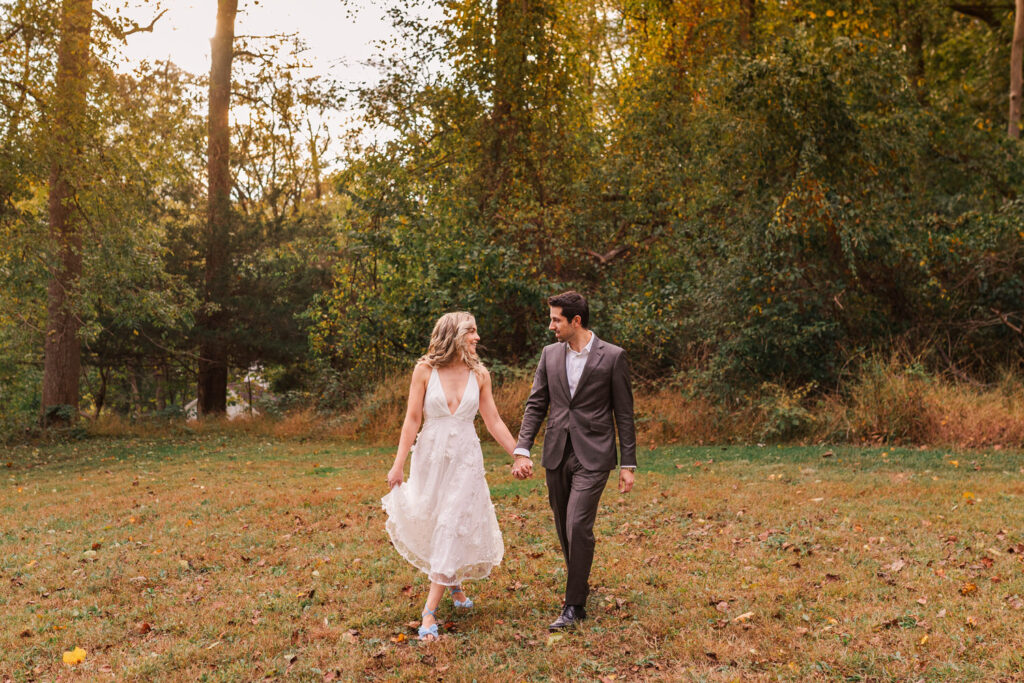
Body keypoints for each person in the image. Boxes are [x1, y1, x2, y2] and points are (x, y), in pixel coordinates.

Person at [382, 311, 518, 641]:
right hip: (431, 456)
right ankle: (453, 584)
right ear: (454, 334)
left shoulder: (480, 374)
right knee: (435, 520)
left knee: (451, 522)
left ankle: (429, 612)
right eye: (471, 331)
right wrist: (398, 463)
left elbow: (494, 421)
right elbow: (412, 420)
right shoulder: (425, 370)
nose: (477, 338)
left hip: (466, 460)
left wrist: (519, 454)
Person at [511, 291, 637, 631]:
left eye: (556, 319)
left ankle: (574, 606)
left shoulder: (613, 357)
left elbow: (624, 414)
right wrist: (523, 447)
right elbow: (536, 404)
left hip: (594, 453)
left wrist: (629, 464)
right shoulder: (549, 355)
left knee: (578, 524)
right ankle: (579, 584)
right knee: (563, 527)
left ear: (576, 321)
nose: (551, 325)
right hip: (556, 450)